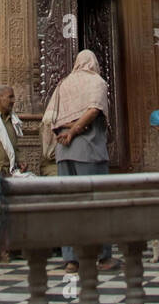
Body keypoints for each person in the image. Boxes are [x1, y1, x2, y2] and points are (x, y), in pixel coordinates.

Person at [41, 50, 117, 273]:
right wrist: (75, 131)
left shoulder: (64, 84)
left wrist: (64, 134)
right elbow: (94, 110)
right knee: (98, 203)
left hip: (64, 150)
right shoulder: (96, 82)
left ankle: (71, 259)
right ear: (93, 63)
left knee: (69, 203)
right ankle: (103, 257)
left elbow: (50, 117)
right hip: (88, 149)